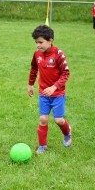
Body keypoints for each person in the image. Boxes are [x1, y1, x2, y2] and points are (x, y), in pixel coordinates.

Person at [28, 25, 72, 154]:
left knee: (58, 120)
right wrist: (31, 85)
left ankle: (67, 132)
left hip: (57, 94)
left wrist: (54, 87)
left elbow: (66, 74)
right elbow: (34, 69)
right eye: (36, 42)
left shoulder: (59, 54)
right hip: (43, 93)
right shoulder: (37, 54)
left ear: (50, 40)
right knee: (43, 119)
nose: (38, 45)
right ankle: (42, 145)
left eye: (40, 42)